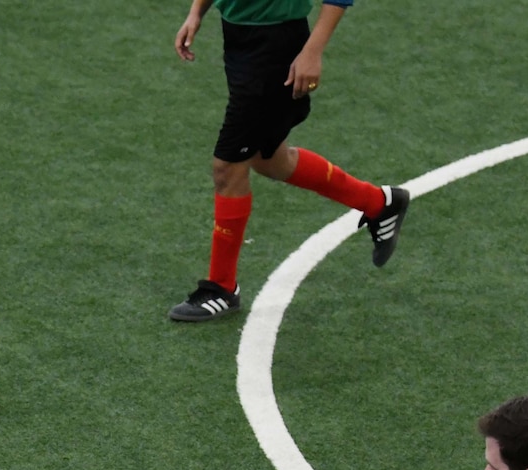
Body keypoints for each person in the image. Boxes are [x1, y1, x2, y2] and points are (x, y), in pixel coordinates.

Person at [169, 0, 409, 321]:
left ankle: (221, 287)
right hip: (240, 39)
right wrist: (197, 12)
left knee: (227, 167)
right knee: (270, 160)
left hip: (277, 49)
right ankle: (379, 203)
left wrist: (312, 51)